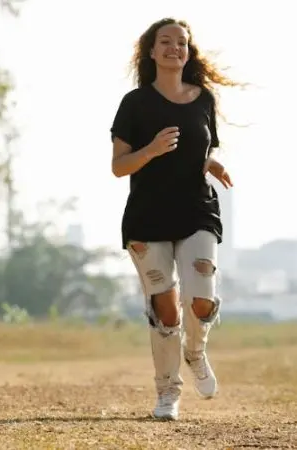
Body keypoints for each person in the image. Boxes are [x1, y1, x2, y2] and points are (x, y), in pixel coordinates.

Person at [109, 18, 239, 421]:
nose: (174, 48)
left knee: (201, 297)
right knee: (166, 307)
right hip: (148, 216)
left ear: (188, 51)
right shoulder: (135, 103)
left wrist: (211, 162)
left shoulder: (204, 100)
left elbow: (197, 149)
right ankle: (168, 393)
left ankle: (195, 352)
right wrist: (150, 150)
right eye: (165, 42)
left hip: (196, 209)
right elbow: (118, 166)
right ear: (151, 52)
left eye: (181, 42)